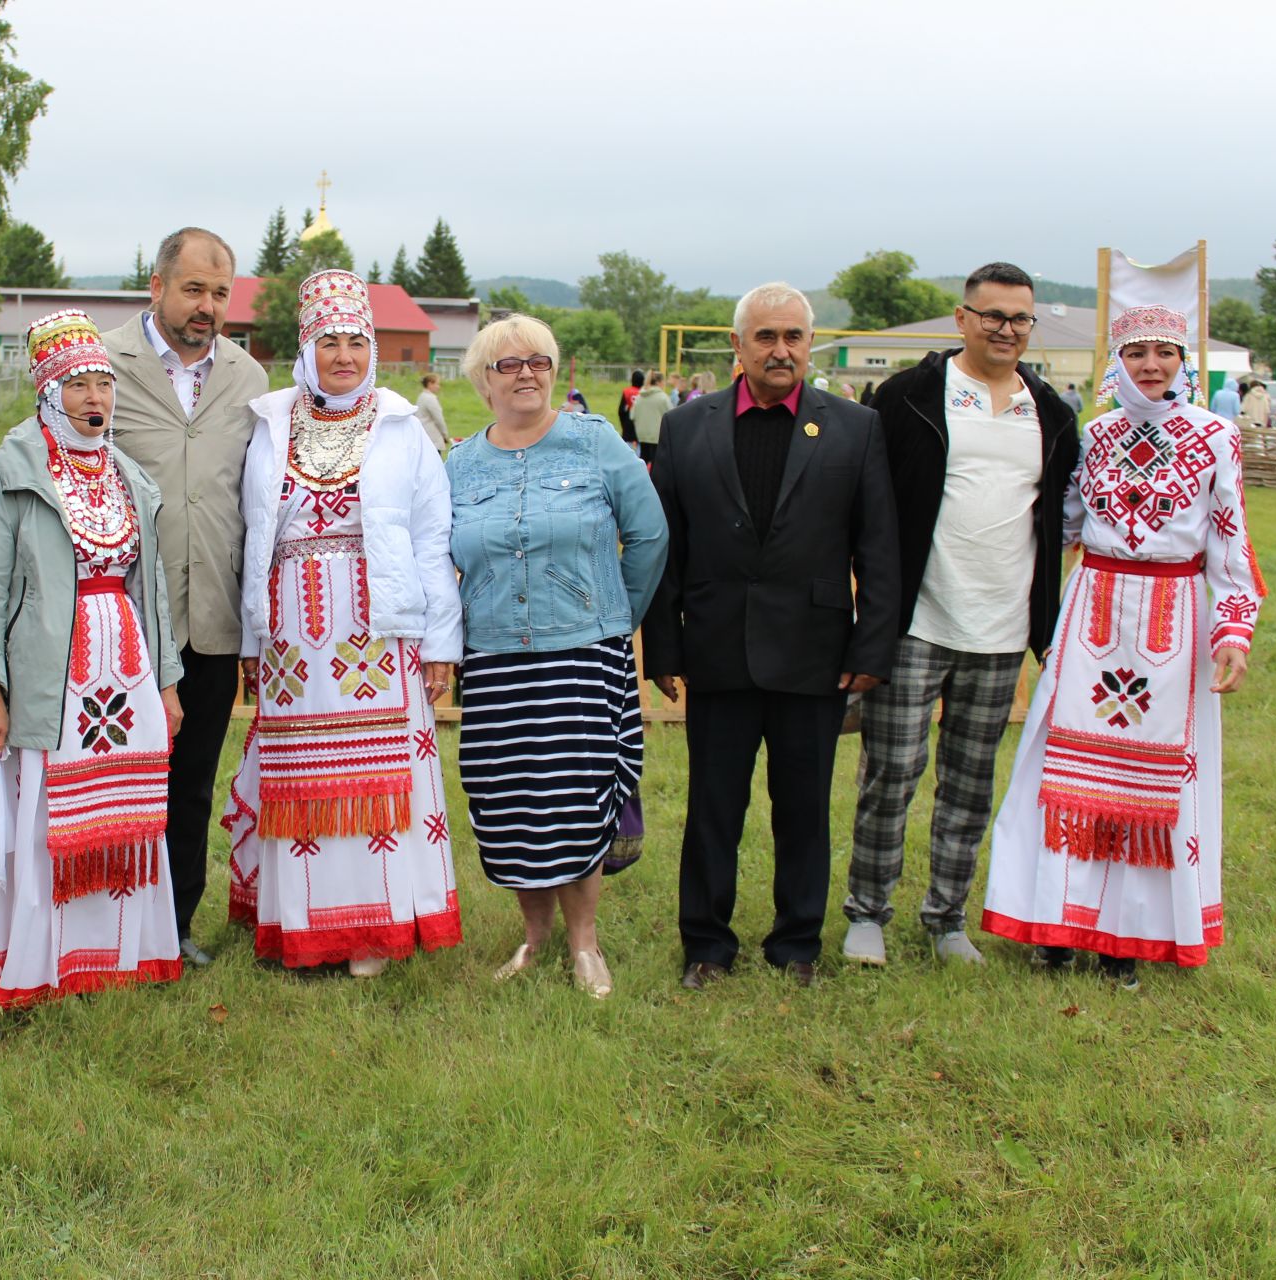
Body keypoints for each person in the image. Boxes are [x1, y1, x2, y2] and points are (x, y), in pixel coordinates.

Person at [981, 303, 1264, 991]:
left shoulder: (1217, 436)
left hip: (1173, 621)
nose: (1152, 365)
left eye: (1165, 352)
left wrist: (1233, 631)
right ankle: (1056, 925)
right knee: (1064, 767)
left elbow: (1231, 543)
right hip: (1094, 612)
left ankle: (1126, 940)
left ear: (1182, 361)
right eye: (1138, 352)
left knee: (1153, 783)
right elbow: (1066, 520)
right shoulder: (1097, 433)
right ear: (1119, 360)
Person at [642, 282, 898, 990]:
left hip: (815, 656)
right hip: (717, 651)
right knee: (713, 808)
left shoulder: (853, 427)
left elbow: (879, 548)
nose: (781, 350)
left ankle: (796, 945)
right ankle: (706, 945)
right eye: (766, 337)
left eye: (793, 337)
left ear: (811, 344)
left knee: (805, 810)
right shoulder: (689, 427)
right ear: (738, 345)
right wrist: (663, 647)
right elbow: (666, 546)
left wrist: (872, 649)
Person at [221, 269, 463, 976]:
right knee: (298, 780)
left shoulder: (401, 426)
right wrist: (250, 637)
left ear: (374, 349)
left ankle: (373, 930)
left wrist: (441, 640)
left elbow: (431, 537)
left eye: (358, 340)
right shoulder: (269, 425)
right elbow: (252, 536)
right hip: (293, 633)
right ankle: (300, 922)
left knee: (377, 778)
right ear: (306, 347)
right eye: (330, 341)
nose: (345, 355)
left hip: (380, 630)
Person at [0, 313, 184, 1003]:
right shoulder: (10, 471)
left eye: (103, 381)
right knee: (47, 814)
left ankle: (118, 954)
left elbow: (152, 587)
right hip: (49, 671)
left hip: (125, 666)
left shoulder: (128, 474)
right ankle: (42, 963)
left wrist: (165, 683)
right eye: (78, 383)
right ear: (48, 388)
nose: (94, 397)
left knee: (125, 812)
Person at [840, 263, 1080, 968]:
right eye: (992, 315)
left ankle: (946, 917)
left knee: (970, 787)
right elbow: (872, 508)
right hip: (918, 622)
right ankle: (867, 914)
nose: (1005, 329)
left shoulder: (1053, 413)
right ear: (962, 317)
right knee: (892, 774)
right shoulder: (909, 396)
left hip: (1001, 631)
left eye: (1019, 319)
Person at [447, 316, 667, 998]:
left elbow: (649, 535)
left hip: (581, 654)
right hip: (492, 657)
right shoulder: (459, 464)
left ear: (553, 370)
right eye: (507, 365)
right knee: (510, 801)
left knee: (575, 798)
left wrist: (614, 615)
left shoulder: (595, 445)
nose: (525, 375)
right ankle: (535, 937)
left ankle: (584, 945)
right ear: (483, 379)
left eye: (538, 362)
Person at [100, 228, 268, 966]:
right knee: (113, 777)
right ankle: (103, 924)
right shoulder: (102, 363)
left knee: (192, 780)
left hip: (212, 622)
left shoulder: (247, 377)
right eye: (194, 289)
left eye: (220, 293)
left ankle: (173, 924)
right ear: (156, 284)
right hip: (120, 620)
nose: (207, 307)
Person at [630, 371, 672, 467]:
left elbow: (632, 415)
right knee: (656, 464)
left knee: (643, 461)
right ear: (658, 382)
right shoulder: (663, 397)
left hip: (642, 435)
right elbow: (671, 415)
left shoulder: (639, 397)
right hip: (657, 436)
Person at [414, 372, 450, 454]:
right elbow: (438, 419)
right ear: (430, 384)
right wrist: (444, 434)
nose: (438, 387)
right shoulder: (431, 399)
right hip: (432, 436)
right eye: (437, 384)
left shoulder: (421, 396)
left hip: (422, 434)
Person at [618, 369, 643, 449]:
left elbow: (621, 411)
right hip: (640, 422)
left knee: (627, 447)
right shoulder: (644, 392)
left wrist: (623, 424)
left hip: (628, 423)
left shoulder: (627, 392)